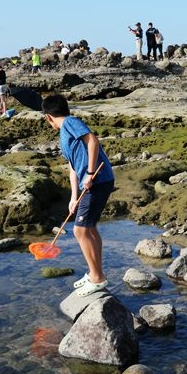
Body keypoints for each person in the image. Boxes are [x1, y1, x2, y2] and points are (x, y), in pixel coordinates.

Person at [42, 94, 116, 296]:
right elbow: (73, 167)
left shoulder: (70, 123)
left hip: (98, 181)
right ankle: (95, 272)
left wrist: (91, 173)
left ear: (48, 117)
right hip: (92, 184)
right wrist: (73, 198)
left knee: (80, 231)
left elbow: (93, 141)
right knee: (89, 228)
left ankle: (97, 278)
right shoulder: (64, 136)